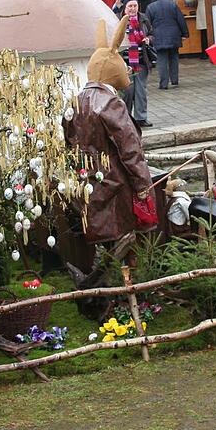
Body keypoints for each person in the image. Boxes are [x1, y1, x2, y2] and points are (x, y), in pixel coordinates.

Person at [63, 16, 152, 269]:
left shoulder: (76, 101)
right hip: (116, 186)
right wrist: (143, 185)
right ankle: (126, 290)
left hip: (88, 184)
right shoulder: (111, 103)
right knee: (124, 243)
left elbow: (67, 144)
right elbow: (129, 148)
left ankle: (105, 285)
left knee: (101, 241)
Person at [116, 0, 153, 127]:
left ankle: (141, 118)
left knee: (141, 91)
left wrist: (149, 39)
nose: (132, 9)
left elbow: (152, 33)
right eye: (130, 6)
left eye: (135, 6)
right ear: (125, 8)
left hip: (142, 61)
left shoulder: (143, 19)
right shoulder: (118, 20)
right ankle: (126, 118)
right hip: (125, 63)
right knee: (127, 91)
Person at [145, 0, 189, 90]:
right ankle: (174, 80)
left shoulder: (150, 7)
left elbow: (147, 24)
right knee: (174, 57)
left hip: (158, 36)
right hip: (174, 35)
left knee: (162, 59)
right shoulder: (173, 4)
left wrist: (148, 36)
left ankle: (163, 84)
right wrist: (185, 34)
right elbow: (181, 20)